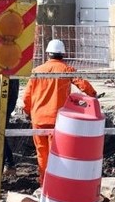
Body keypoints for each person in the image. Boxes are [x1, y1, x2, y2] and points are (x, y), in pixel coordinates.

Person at [22, 39, 97, 184]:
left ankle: (44, 183)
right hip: (57, 119)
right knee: (57, 153)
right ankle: (56, 183)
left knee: (42, 153)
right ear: (63, 54)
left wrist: (26, 111)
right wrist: (93, 95)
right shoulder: (67, 70)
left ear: (47, 54)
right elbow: (83, 84)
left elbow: (27, 96)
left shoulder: (36, 71)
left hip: (38, 118)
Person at [0, 77, 19, 177]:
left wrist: (0, 103)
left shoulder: (7, 65)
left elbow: (7, 83)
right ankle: (6, 165)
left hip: (0, 104)